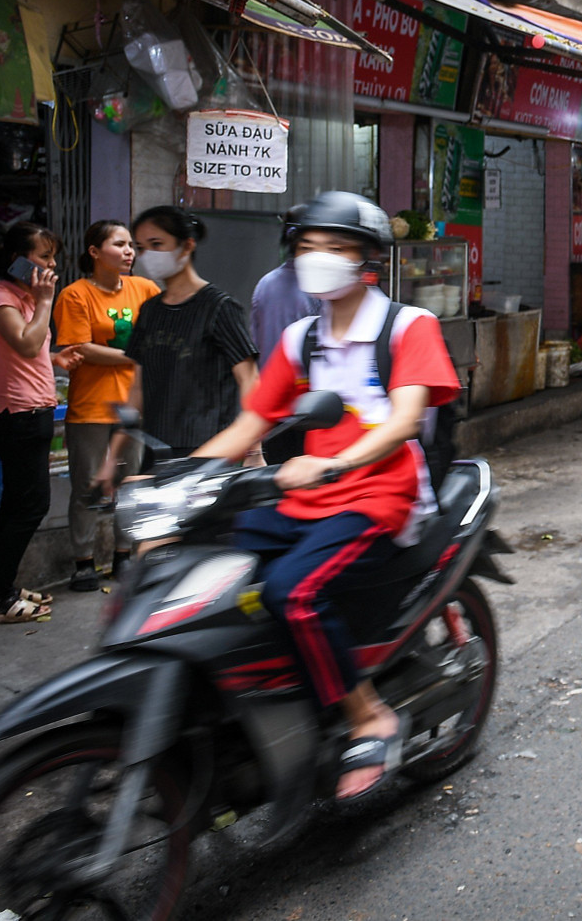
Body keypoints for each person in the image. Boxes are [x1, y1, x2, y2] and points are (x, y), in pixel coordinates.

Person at [190, 191, 461, 799]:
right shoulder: (297, 340)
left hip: (381, 495)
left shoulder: (408, 326)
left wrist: (330, 463)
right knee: (219, 567)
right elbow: (249, 425)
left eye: (336, 248)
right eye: (308, 248)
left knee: (294, 589)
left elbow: (403, 421)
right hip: (312, 497)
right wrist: (179, 479)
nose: (319, 259)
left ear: (367, 259)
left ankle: (369, 715)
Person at [0, 223, 84, 625]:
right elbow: (23, 342)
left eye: (53, 256)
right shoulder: (0, 299)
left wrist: (53, 359)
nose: (52, 264)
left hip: (31, 414)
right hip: (16, 417)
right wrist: (45, 302)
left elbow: (27, 350)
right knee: (28, 506)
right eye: (43, 256)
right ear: (16, 259)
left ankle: (3, 589)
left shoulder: (20, 298)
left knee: (20, 506)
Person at [53, 221, 159, 591]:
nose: (130, 251)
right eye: (120, 244)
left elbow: (160, 334)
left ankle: (122, 556)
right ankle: (83, 562)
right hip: (91, 407)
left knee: (131, 485)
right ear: (95, 252)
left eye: (132, 245)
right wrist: (135, 354)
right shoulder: (75, 295)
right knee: (86, 486)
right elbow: (80, 348)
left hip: (136, 405)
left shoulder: (145, 289)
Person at [111, 208, 259, 465]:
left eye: (157, 244)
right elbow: (135, 387)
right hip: (156, 448)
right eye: (142, 247)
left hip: (212, 449)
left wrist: (253, 448)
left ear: (187, 246)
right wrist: (112, 457)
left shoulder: (219, 307)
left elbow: (249, 380)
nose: (148, 255)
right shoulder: (150, 310)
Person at [252, 203, 316, 363]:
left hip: (268, 378)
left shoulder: (266, 283)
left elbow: (256, 339)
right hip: (299, 382)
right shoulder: (318, 286)